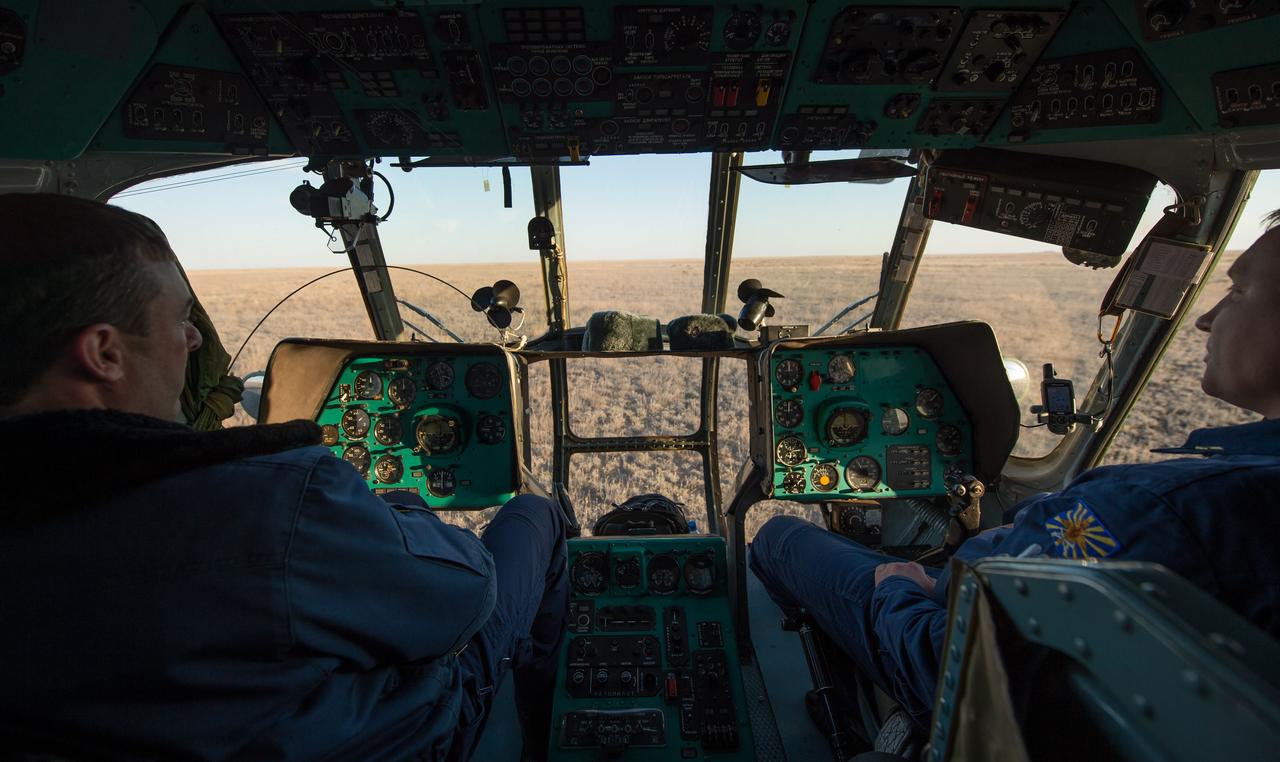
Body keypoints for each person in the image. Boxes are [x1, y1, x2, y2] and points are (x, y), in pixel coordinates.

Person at [0, 193, 568, 761]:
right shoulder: (274, 503)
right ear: (104, 353)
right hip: (411, 738)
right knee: (533, 514)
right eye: (178, 320)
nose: (193, 340)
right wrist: (399, 509)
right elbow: (468, 596)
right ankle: (548, 725)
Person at [750, 216, 1280, 729]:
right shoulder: (1221, 496)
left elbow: (948, 668)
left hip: (951, 655)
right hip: (985, 623)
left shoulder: (1161, 507)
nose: (1207, 318)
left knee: (777, 538)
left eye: (1237, 291)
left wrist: (898, 589)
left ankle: (858, 721)